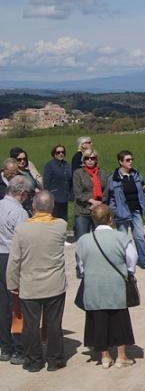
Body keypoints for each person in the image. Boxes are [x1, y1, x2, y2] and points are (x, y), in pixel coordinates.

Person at [6, 191, 67, 372]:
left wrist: (12, 284)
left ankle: (34, 361)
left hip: (30, 284)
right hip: (55, 284)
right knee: (54, 324)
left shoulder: (22, 229)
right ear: (52, 207)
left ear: (33, 207)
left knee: (31, 325)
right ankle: (55, 360)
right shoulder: (61, 225)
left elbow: (15, 260)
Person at [75, 204, 138, 369]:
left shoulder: (83, 240)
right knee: (119, 319)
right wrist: (128, 272)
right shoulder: (121, 237)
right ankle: (121, 356)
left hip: (93, 287)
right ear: (110, 218)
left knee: (98, 319)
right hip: (116, 284)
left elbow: (80, 266)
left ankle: (104, 356)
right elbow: (132, 257)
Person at [107, 150, 145, 272]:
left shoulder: (136, 175)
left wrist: (144, 202)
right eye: (127, 160)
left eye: (131, 159)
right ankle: (123, 264)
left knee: (139, 237)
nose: (130, 162)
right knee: (123, 239)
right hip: (121, 212)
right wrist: (115, 210)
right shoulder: (113, 178)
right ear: (120, 162)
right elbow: (110, 197)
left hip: (136, 210)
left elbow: (143, 189)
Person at [0, 176, 30, 365]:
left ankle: (6, 347)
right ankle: (19, 348)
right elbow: (23, 240)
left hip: (0, 255)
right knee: (17, 305)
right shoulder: (19, 212)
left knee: (2, 304)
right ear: (21, 192)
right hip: (13, 258)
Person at [72, 148, 109, 242]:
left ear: (96, 160)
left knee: (100, 241)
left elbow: (106, 191)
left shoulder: (102, 173)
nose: (90, 160)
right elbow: (78, 193)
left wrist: (98, 203)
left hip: (99, 211)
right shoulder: (78, 173)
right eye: (87, 158)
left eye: (92, 158)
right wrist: (91, 201)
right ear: (83, 160)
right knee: (82, 240)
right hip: (82, 211)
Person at [43, 144, 72, 221]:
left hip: (65, 197)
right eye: (58, 152)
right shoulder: (49, 165)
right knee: (54, 220)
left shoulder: (66, 165)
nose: (61, 154)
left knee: (63, 220)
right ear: (54, 154)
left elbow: (70, 180)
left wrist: (71, 194)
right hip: (54, 198)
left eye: (62, 152)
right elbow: (46, 183)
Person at [9, 148, 41, 215]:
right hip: (23, 206)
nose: (22, 161)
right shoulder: (15, 174)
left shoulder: (28, 171)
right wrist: (35, 190)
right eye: (19, 160)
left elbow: (38, 182)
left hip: (34, 204)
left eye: (24, 159)